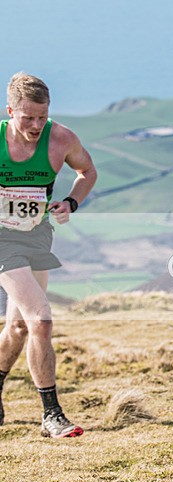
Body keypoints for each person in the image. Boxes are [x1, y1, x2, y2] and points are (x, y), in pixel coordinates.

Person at [0, 72, 98, 438]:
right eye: (28, 117)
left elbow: (87, 171)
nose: (37, 125)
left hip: (37, 237)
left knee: (20, 326)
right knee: (41, 320)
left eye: (43, 116)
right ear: (10, 111)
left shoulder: (61, 139)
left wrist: (71, 201)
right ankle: (52, 415)